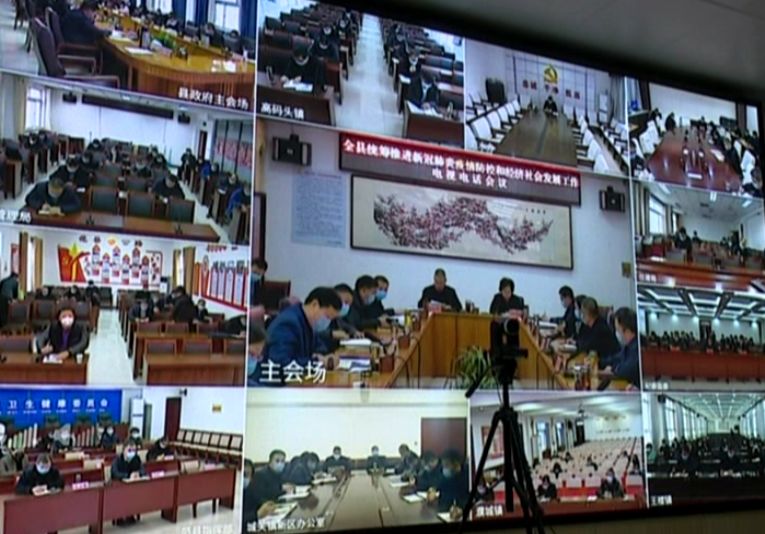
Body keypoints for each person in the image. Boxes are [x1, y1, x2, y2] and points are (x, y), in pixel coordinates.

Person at [259, 287, 342, 371]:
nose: (327, 322)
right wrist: (317, 362)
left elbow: (319, 346)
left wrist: (328, 357)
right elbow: (281, 362)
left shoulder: (307, 321)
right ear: (315, 304)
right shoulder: (288, 323)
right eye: (327, 316)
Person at [600, 307, 640, 389]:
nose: (616, 333)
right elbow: (616, 358)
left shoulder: (637, 347)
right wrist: (598, 362)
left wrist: (613, 368)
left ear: (627, 331)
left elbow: (625, 371)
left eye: (618, 330)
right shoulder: (629, 345)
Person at [576, 298, 620, 368]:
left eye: (582, 313)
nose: (581, 315)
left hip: (610, 363)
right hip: (600, 359)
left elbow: (586, 345)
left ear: (587, 314)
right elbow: (580, 339)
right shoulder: (588, 325)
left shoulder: (601, 328)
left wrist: (577, 343)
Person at [111, 440, 146, 525]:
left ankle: (131, 514)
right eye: (129, 450)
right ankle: (120, 517)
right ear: (124, 450)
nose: (132, 453)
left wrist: (138, 474)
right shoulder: (117, 460)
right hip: (118, 486)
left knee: (135, 492)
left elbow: (143, 470)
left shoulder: (136, 458)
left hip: (132, 485)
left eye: (134, 450)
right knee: (122, 493)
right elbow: (115, 473)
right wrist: (128, 475)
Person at [252, 450, 294, 519]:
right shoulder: (261, 475)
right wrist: (281, 488)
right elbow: (261, 496)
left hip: (277, 506)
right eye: (277, 461)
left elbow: (281, 490)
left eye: (282, 461)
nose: (280, 464)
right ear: (270, 462)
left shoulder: (279, 474)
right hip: (264, 511)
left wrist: (287, 488)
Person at [428, 450, 468, 518]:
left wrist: (462, 508)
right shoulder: (447, 475)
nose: (444, 468)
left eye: (446, 465)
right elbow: (440, 486)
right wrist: (433, 490)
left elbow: (473, 498)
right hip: (446, 512)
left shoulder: (468, 476)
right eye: (443, 465)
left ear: (456, 464)